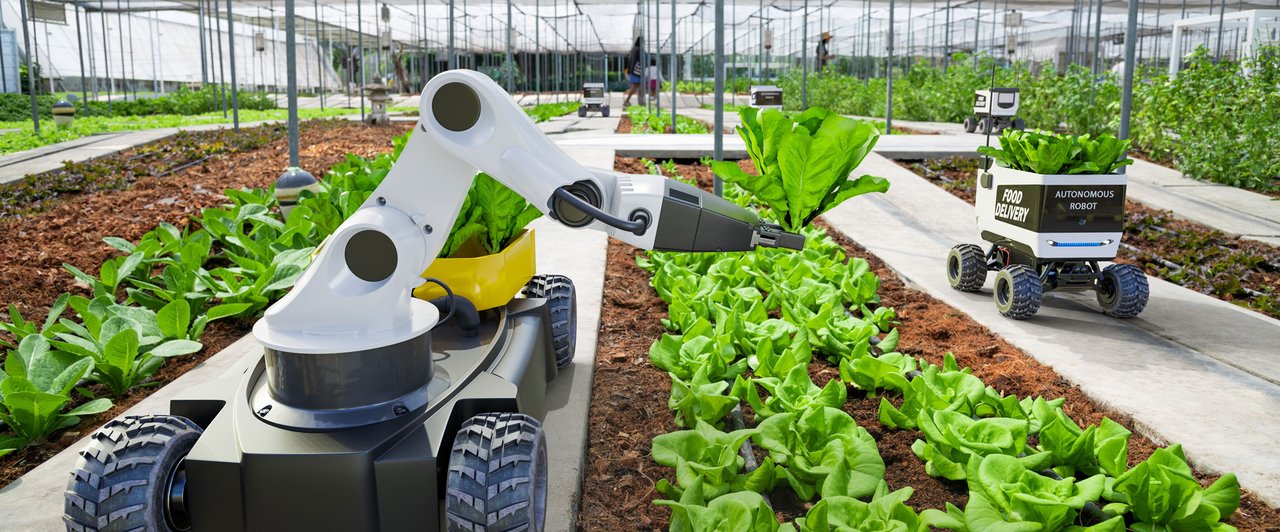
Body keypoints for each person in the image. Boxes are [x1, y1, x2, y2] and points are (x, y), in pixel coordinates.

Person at [623, 36, 645, 106]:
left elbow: (630, 60)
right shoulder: (639, 50)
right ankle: (627, 100)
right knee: (635, 86)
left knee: (636, 86)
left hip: (632, 70)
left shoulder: (633, 49)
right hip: (636, 71)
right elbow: (641, 60)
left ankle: (637, 101)